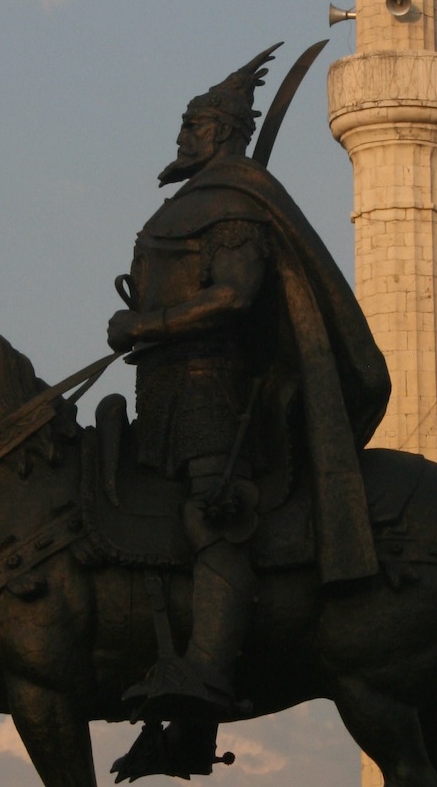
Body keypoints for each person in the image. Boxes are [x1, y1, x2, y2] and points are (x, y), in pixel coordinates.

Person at [108, 47, 390, 728]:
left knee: (214, 514)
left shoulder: (236, 207)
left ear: (222, 132)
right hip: (162, 387)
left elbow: (235, 297)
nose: (181, 136)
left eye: (193, 124)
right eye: (184, 123)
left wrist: (149, 320)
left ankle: (208, 668)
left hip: (215, 392)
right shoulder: (190, 203)